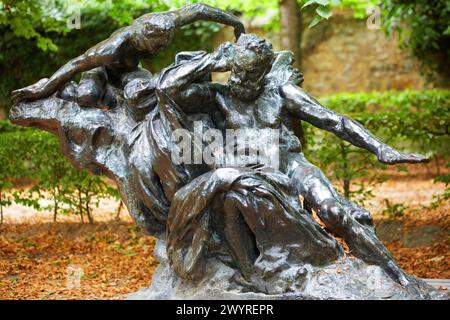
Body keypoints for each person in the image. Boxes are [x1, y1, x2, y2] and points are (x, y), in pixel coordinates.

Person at [156, 33, 429, 291]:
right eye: (236, 71)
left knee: (334, 213)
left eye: (249, 73)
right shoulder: (219, 95)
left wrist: (380, 147)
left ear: (264, 71)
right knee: (237, 205)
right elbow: (167, 88)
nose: (239, 79)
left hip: (291, 165)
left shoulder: (281, 93)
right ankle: (259, 273)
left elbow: (334, 120)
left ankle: (399, 277)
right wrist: (214, 60)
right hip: (253, 174)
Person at [11, 4, 245, 104]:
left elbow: (201, 9)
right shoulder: (111, 48)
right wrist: (41, 89)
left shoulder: (168, 21)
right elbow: (75, 64)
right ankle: (67, 91)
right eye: (154, 47)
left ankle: (116, 102)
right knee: (86, 98)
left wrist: (235, 23)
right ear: (140, 38)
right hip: (101, 72)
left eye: (163, 45)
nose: (158, 50)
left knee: (142, 95)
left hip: (130, 73)